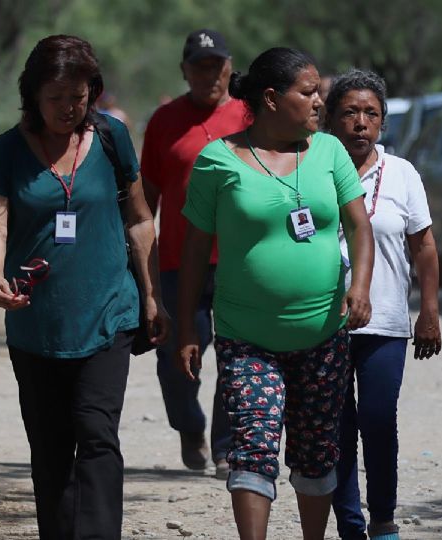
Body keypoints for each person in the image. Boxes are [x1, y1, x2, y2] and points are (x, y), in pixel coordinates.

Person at [0, 34, 169, 540]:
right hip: (36, 320)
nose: (68, 108)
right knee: (51, 445)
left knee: (98, 434)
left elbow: (140, 219)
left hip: (108, 310)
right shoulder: (8, 150)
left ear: (94, 92)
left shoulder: (111, 138)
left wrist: (150, 293)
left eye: (78, 97)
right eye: (56, 98)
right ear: (33, 97)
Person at [176, 47, 375, 540]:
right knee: (253, 446)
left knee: (315, 450)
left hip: (323, 335)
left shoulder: (328, 151)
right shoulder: (217, 161)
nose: (319, 103)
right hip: (247, 338)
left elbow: (359, 227)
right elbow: (194, 252)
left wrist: (361, 287)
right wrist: (185, 327)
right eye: (308, 93)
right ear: (270, 98)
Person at [324, 69, 442, 540]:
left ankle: (384, 520)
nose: (360, 122)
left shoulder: (402, 173)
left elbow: (425, 246)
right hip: (322, 324)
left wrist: (429, 310)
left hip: (386, 323)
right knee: (335, 429)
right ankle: (350, 525)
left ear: (383, 123)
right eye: (349, 112)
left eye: (370, 113)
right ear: (330, 119)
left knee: (377, 421)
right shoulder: (311, 168)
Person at [140, 28, 250, 475]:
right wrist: (140, 268)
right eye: (200, 67)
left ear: (229, 67)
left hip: (240, 261)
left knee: (236, 355)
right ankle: (189, 425)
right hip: (177, 262)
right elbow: (146, 200)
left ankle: (225, 447)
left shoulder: (250, 115)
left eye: (217, 66)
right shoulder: (164, 121)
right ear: (184, 71)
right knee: (174, 357)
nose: (210, 75)